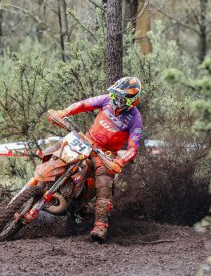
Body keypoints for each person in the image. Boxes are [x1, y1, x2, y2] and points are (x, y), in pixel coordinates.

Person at [51, 76, 143, 242]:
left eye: (120, 98)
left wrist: (120, 161)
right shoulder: (107, 99)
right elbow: (84, 104)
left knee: (104, 180)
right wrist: (63, 112)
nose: (115, 100)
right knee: (59, 148)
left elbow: (133, 148)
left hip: (106, 154)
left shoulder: (135, 118)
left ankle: (100, 225)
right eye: (115, 95)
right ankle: (40, 184)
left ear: (131, 101)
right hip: (87, 140)